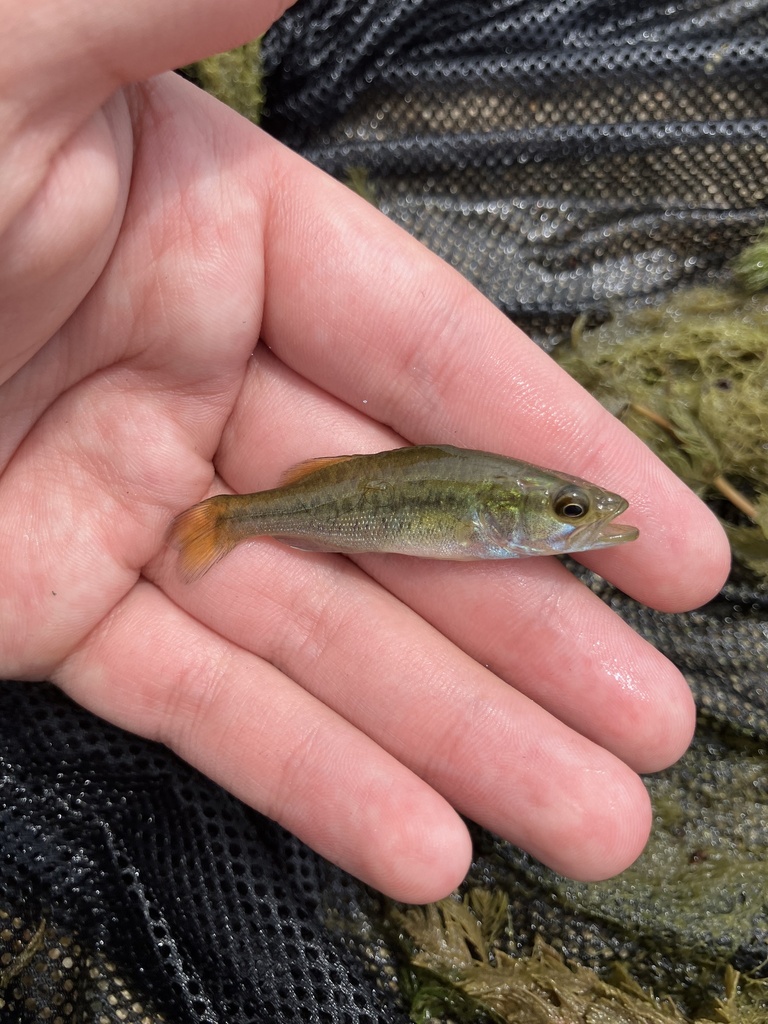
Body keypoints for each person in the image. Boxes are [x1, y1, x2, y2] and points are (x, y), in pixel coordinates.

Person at [0, 0, 730, 904]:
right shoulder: (475, 514)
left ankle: (237, 524)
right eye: (567, 510)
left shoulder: (487, 513)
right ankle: (233, 523)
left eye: (571, 509)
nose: (581, 520)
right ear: (505, 514)